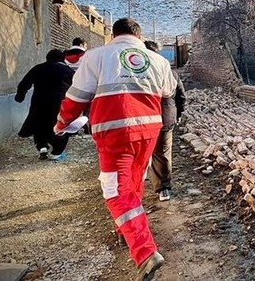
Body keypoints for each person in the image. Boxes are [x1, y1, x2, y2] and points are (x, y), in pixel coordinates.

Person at [54, 18, 176, 280]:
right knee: (132, 184)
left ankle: (145, 252)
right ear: (139, 36)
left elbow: (76, 98)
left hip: (114, 131)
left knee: (116, 191)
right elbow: (169, 90)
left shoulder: (97, 56)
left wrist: (62, 123)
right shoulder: (158, 60)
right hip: (148, 131)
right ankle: (126, 230)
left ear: (113, 34)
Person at [144, 40, 186, 202]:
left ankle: (139, 179)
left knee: (142, 150)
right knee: (162, 153)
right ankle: (163, 188)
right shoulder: (170, 72)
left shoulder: (134, 73)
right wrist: (178, 114)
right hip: (164, 117)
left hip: (140, 118)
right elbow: (181, 97)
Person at [15, 49, 75, 161]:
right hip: (59, 103)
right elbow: (77, 87)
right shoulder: (67, 71)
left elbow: (24, 83)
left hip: (39, 101)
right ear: (62, 58)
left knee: (40, 124)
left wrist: (20, 95)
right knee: (59, 125)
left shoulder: (38, 68)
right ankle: (57, 152)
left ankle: (42, 146)